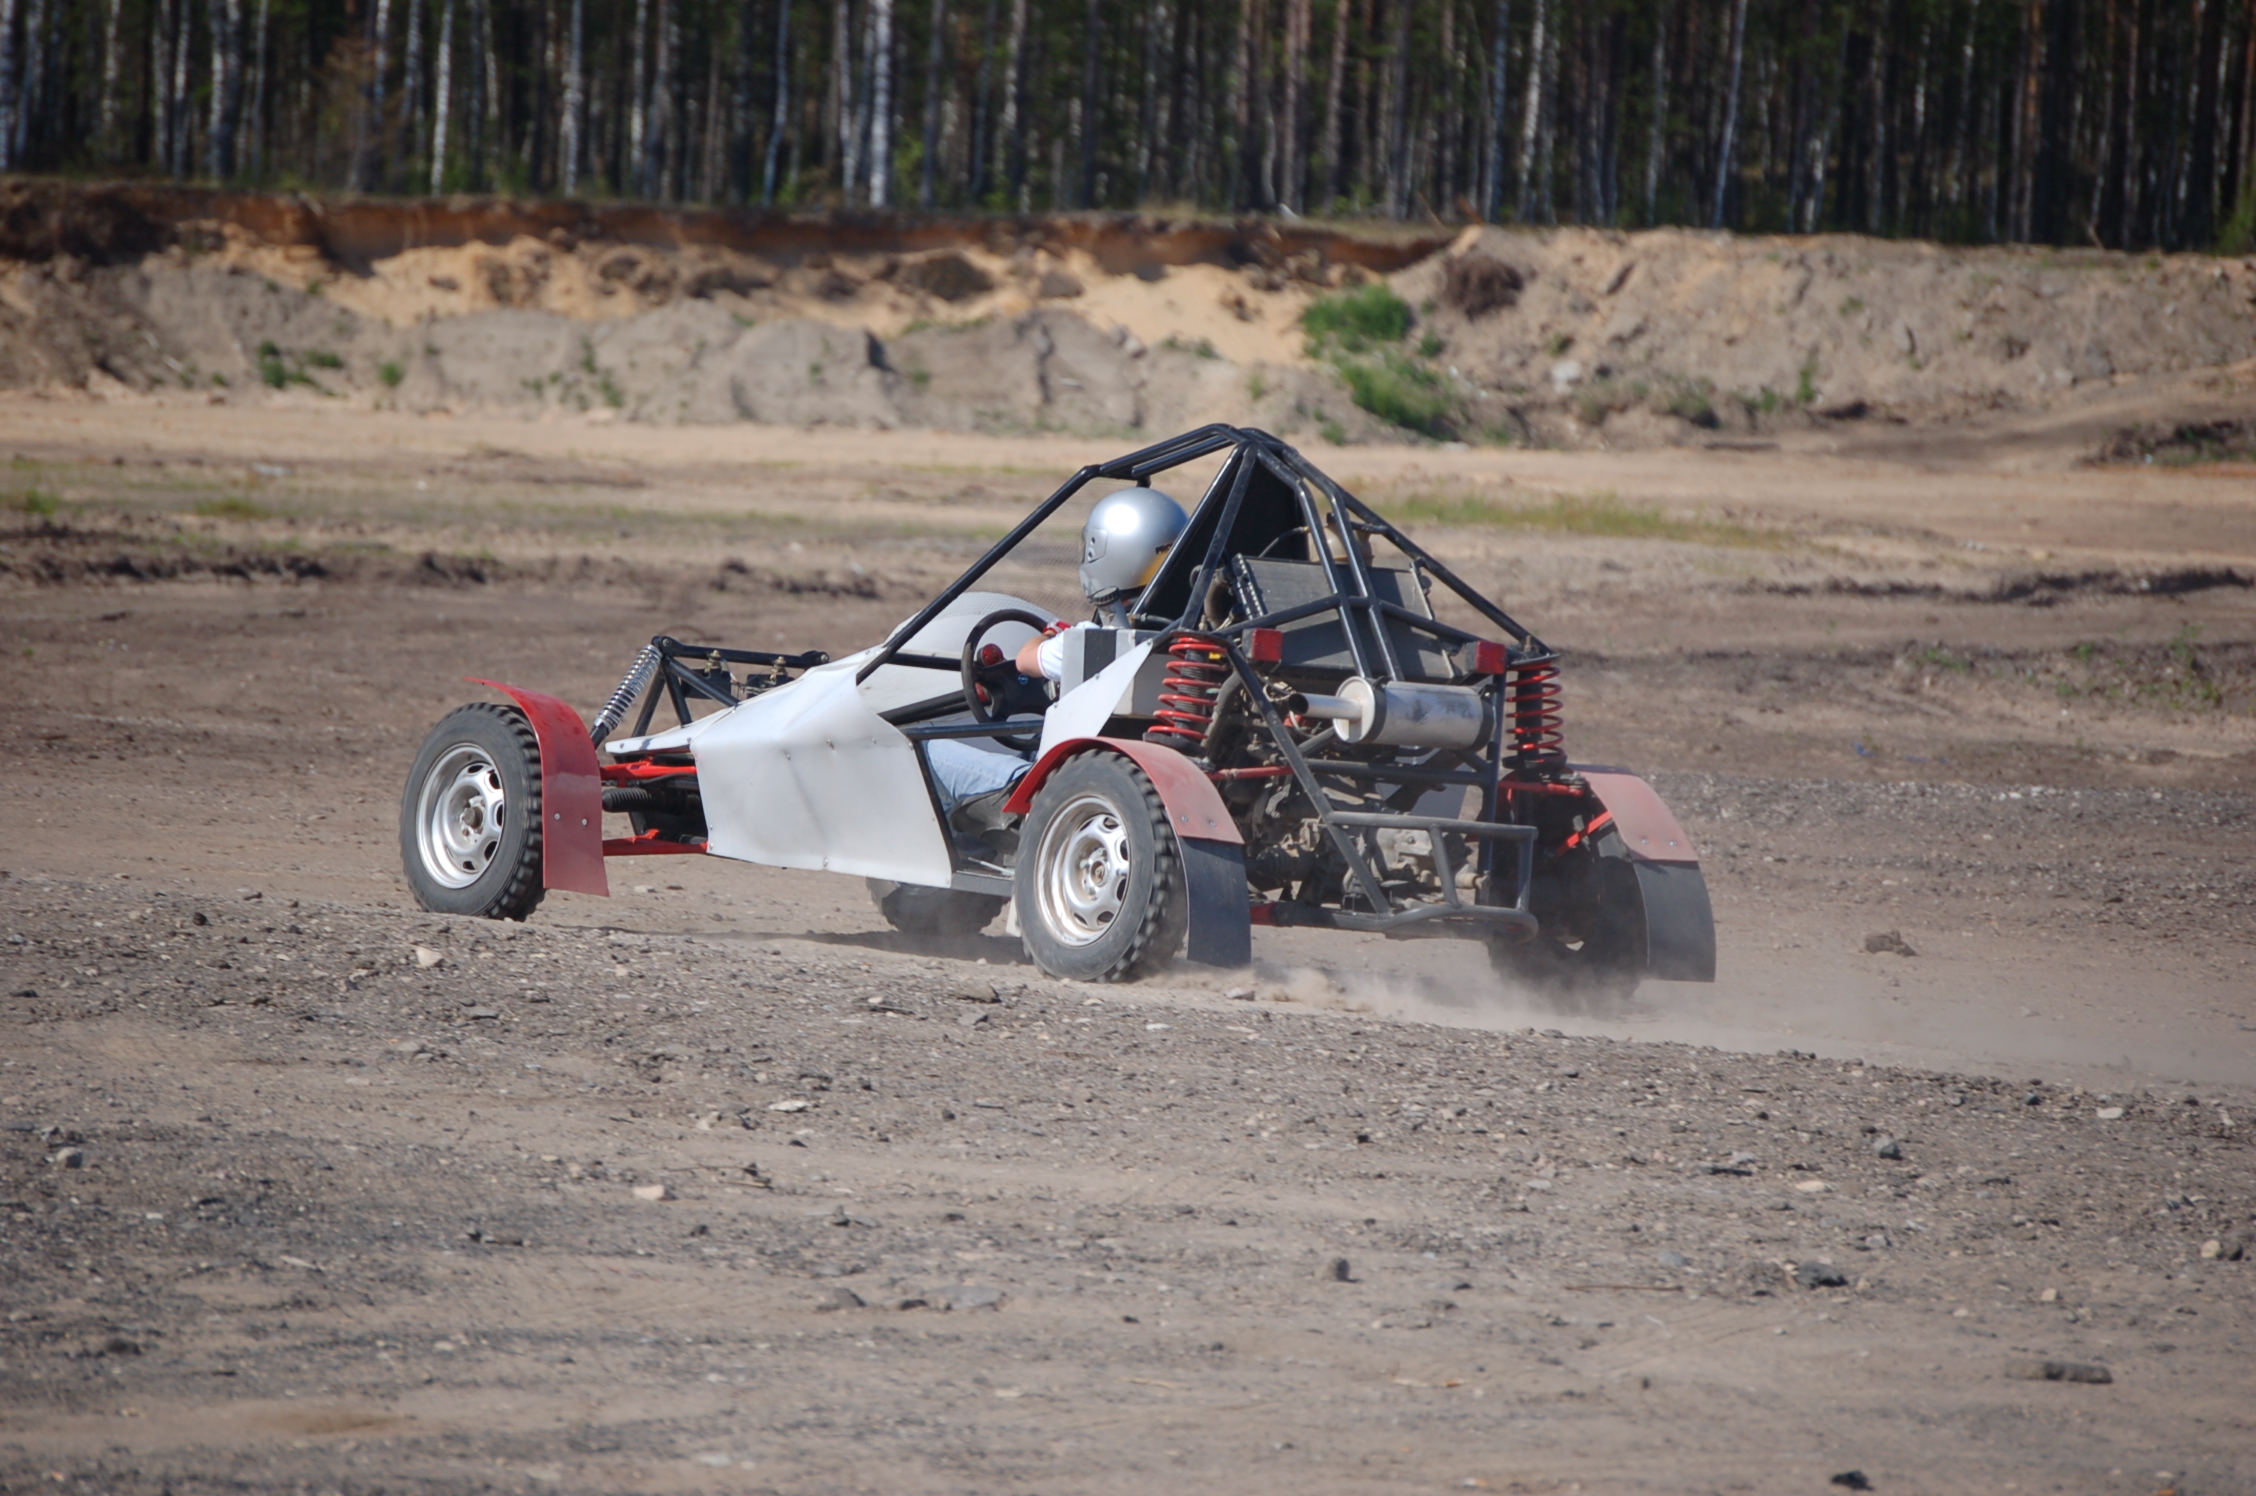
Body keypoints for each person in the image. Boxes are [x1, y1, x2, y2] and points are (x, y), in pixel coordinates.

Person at [924, 485, 1188, 854]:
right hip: (1145, 784)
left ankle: (976, 852)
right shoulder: (1189, 640)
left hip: (1056, 791)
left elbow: (1025, 660)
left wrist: (1052, 632)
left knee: (926, 751)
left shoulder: (1090, 639)